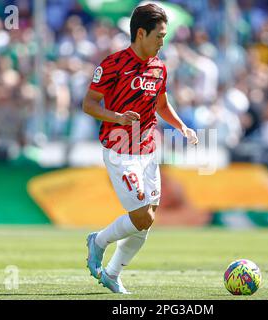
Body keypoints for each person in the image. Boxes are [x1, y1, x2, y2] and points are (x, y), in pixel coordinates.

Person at [82, 3, 198, 294]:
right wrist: (118, 117)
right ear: (141, 33)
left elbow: (161, 105)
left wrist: (181, 126)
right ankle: (98, 241)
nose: (163, 41)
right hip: (119, 151)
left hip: (148, 151)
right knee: (141, 217)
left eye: (165, 36)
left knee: (147, 222)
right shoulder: (113, 64)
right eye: (159, 36)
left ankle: (111, 274)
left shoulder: (159, 68)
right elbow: (89, 104)